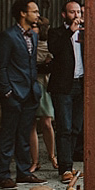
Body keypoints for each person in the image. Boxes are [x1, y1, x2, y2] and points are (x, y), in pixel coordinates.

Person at [0, 0, 44, 189]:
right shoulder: (8, 36)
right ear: (23, 13)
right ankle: (4, 175)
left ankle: (24, 173)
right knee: (8, 134)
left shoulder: (33, 36)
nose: (37, 15)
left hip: (30, 93)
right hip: (13, 94)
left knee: (24, 134)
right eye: (34, 11)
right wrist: (7, 91)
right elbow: (0, 66)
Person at [48, 2, 86, 183]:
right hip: (63, 86)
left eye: (79, 11)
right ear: (64, 14)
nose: (76, 15)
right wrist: (70, 31)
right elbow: (54, 49)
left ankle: (69, 164)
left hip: (81, 83)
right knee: (65, 127)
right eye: (72, 12)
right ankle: (64, 168)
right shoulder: (56, 33)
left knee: (76, 127)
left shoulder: (85, 33)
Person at [29, 16, 56, 174]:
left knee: (46, 122)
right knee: (31, 123)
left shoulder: (49, 44)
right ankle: (35, 161)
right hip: (30, 83)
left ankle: (52, 156)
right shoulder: (26, 42)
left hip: (44, 84)